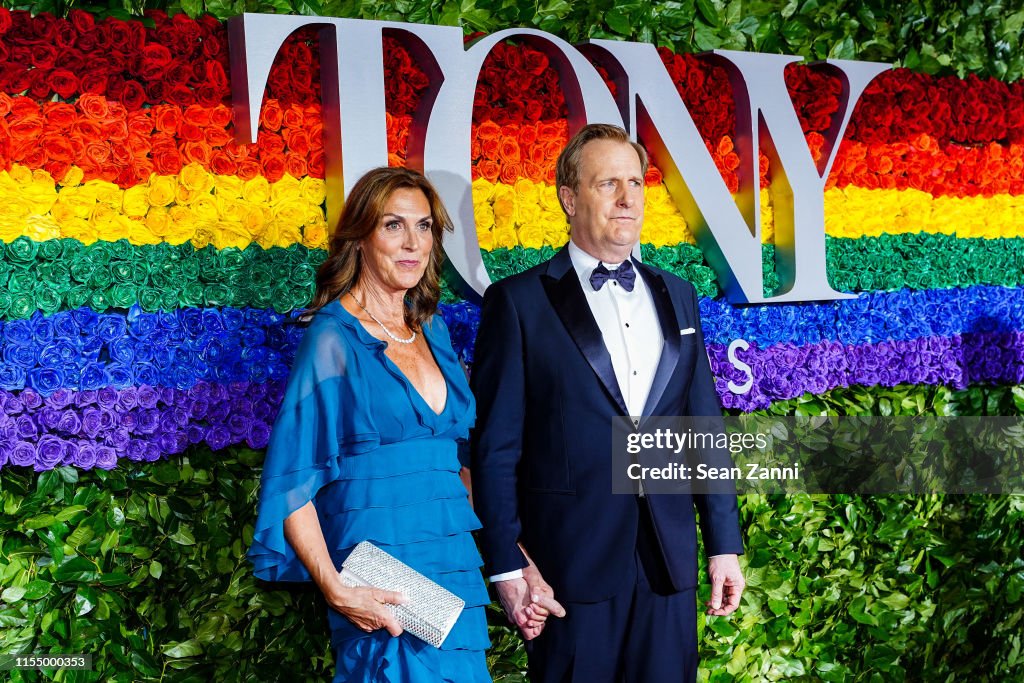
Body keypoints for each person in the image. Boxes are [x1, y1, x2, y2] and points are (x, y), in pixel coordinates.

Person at [470, 124, 746, 682]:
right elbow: (495, 448)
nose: (627, 199)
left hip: (667, 565)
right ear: (569, 199)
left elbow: (704, 427)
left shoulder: (678, 294)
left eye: (635, 183)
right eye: (607, 184)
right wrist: (504, 564)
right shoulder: (518, 302)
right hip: (569, 568)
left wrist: (723, 544)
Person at [248, 167, 491, 682]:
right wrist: (336, 588)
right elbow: (292, 481)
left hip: (455, 568)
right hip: (383, 574)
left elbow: (460, 463)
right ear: (359, 237)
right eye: (393, 225)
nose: (413, 243)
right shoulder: (333, 340)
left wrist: (513, 558)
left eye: (424, 227)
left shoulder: (434, 331)